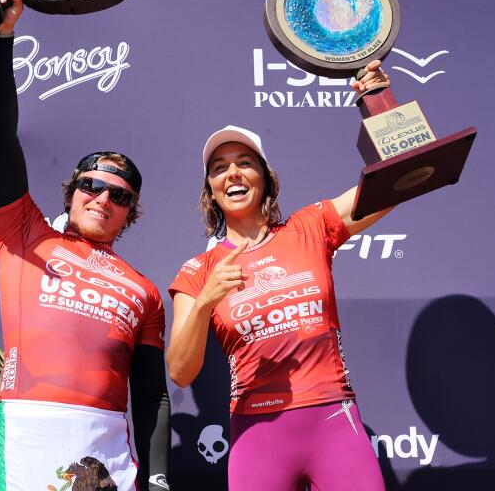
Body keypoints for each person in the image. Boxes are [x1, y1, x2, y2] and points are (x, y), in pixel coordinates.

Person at [167, 62, 393, 491]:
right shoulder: (197, 271)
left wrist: (378, 103)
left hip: (332, 418)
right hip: (257, 434)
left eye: (244, 162)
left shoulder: (309, 226)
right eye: (219, 168)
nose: (232, 173)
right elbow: (180, 371)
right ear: (211, 190)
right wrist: (205, 304)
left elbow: (397, 182)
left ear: (265, 179)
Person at [0, 0, 170, 491]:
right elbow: (1, 138)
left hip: (108, 456)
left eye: (120, 196)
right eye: (92, 185)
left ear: (130, 215)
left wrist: (158, 481)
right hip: (24, 439)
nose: (103, 199)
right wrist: (1, 39)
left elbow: (151, 395)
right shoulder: (24, 235)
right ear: (71, 192)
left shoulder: (145, 291)